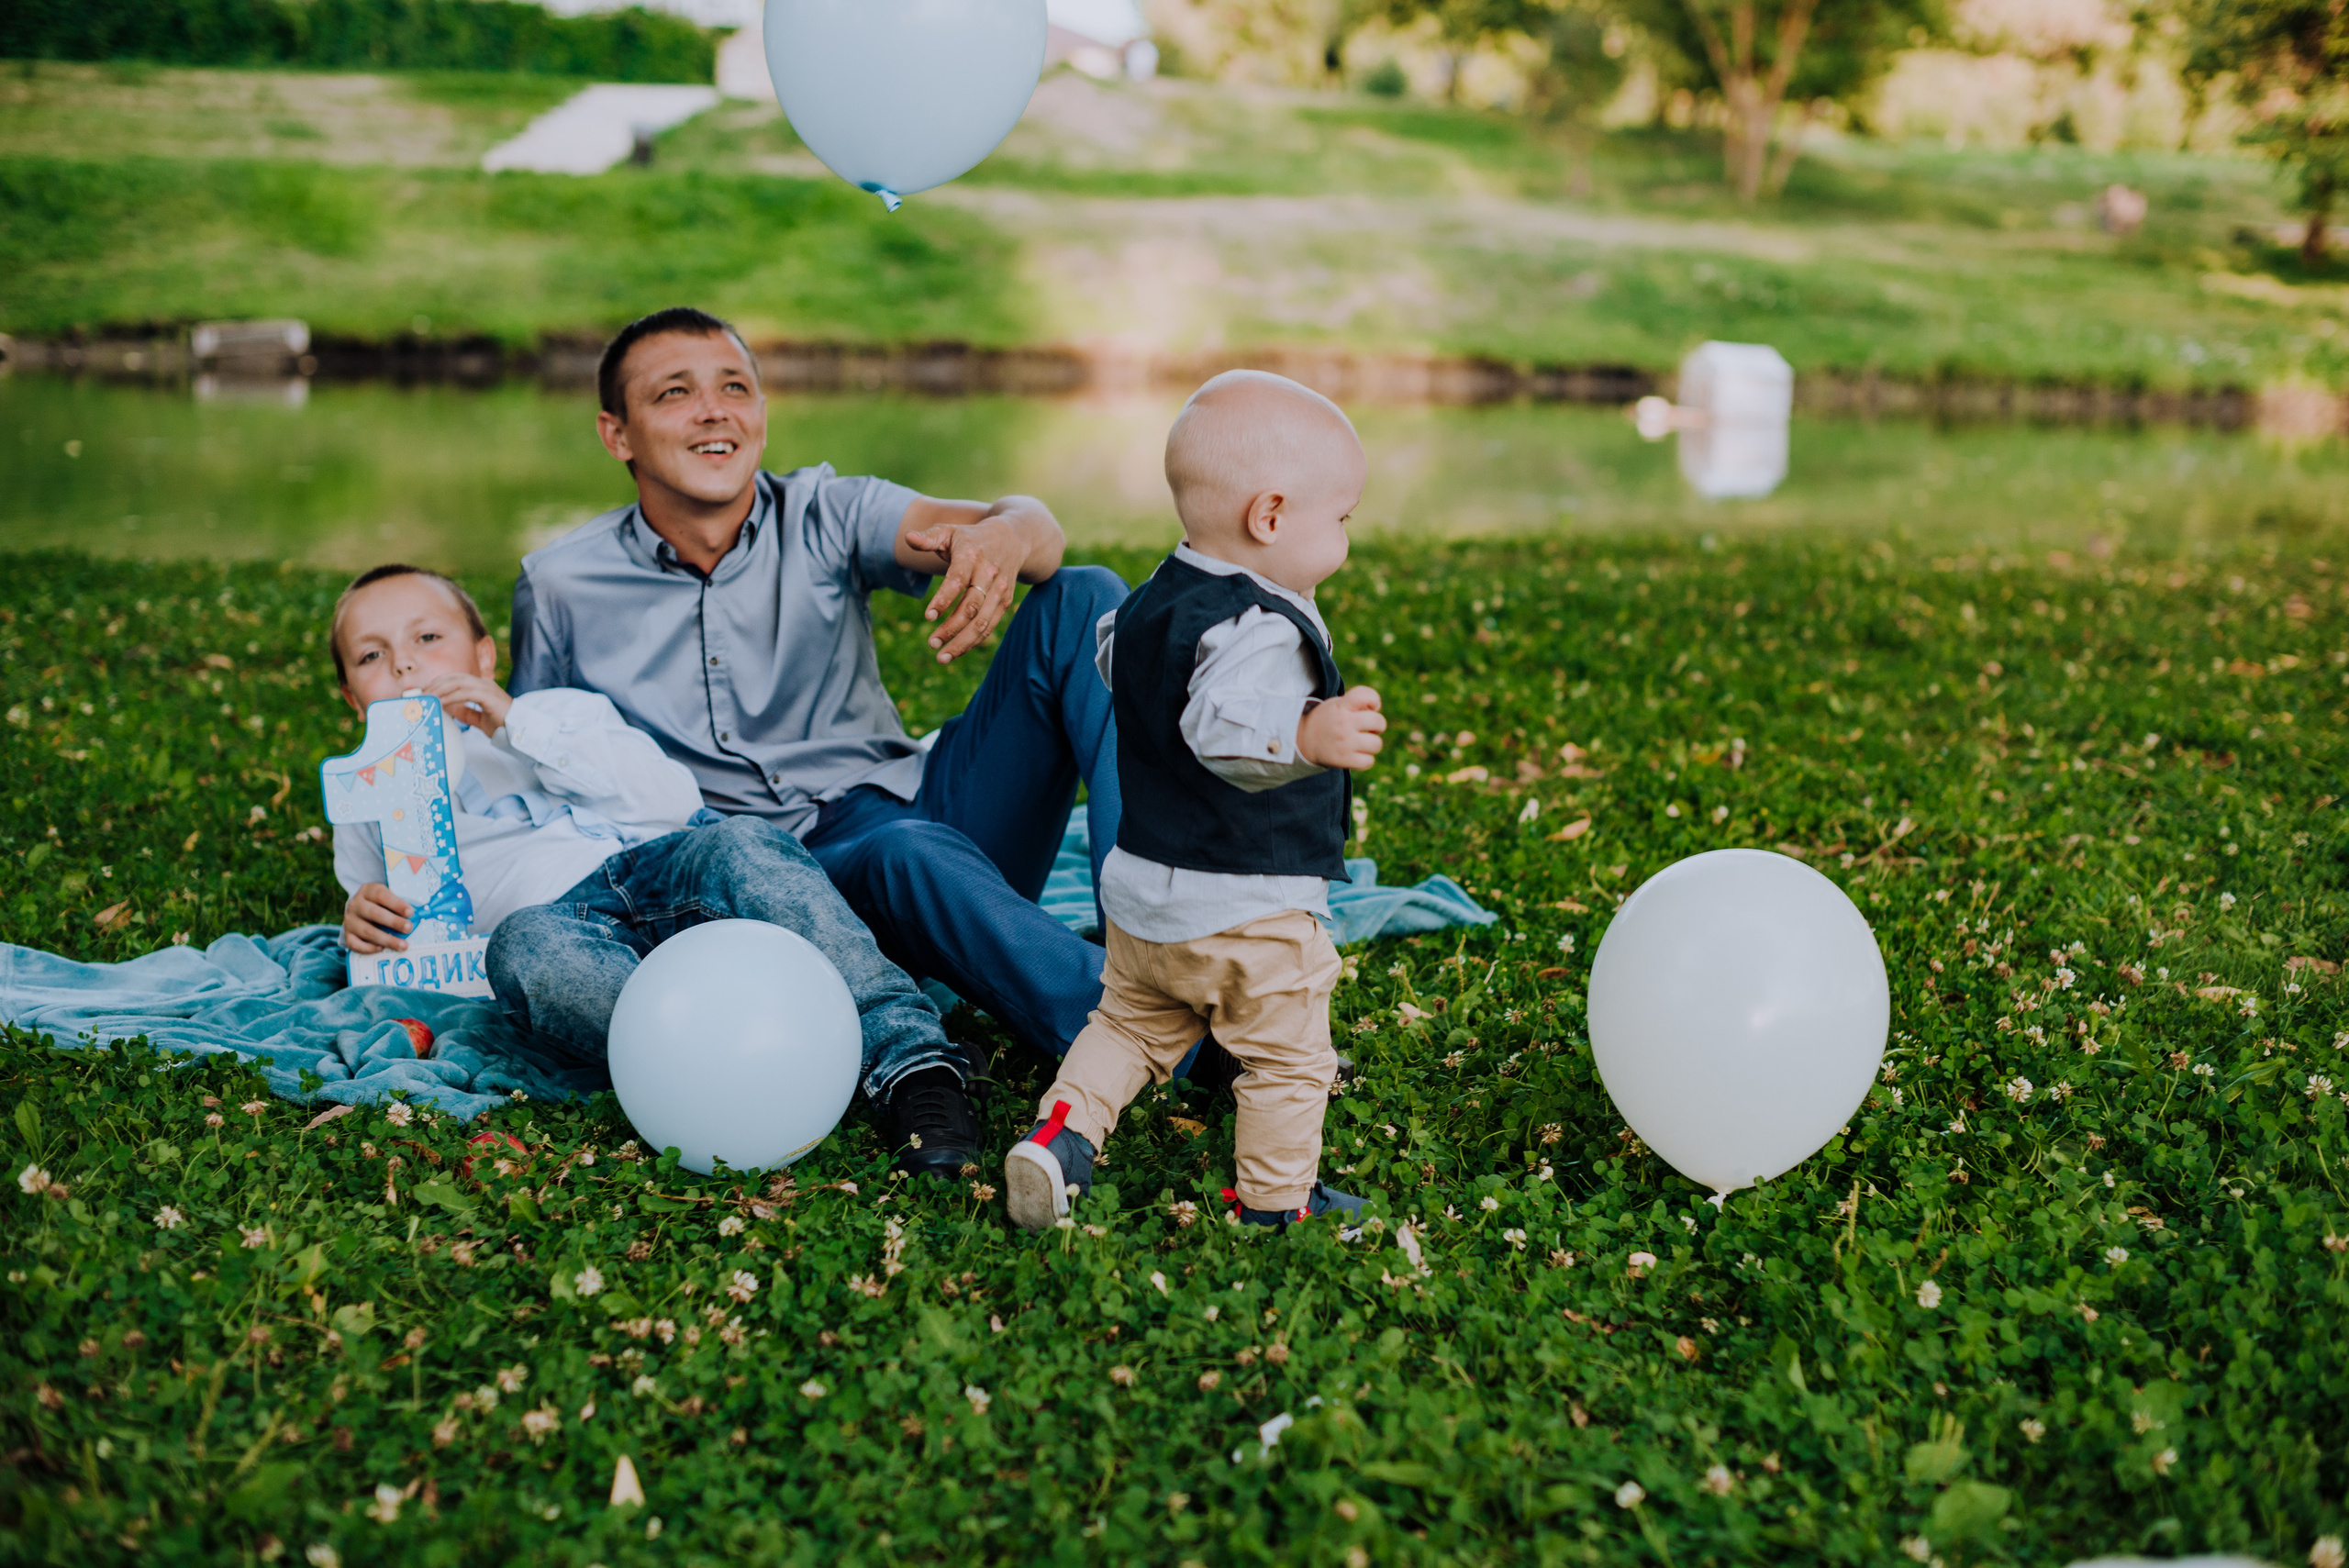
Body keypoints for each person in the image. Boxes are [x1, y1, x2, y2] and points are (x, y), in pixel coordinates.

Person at [505, 306, 1164, 1180]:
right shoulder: (558, 584)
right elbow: (535, 771)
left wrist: (1004, 535)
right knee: (905, 852)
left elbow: (1033, 525)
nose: (715, 411)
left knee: (1083, 597)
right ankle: (1168, 1040)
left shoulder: (822, 511)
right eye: (675, 394)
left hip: (915, 813)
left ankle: (1160, 943)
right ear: (616, 434)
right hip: (760, 887)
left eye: (735, 388)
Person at [328, 563, 960, 1118]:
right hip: (563, 925)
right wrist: (360, 919)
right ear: (354, 699)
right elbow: (381, 916)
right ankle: (744, 1065)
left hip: (668, 870)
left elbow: (670, 802)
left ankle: (910, 1061)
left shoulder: (562, 712)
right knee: (528, 951)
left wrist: (513, 722)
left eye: (429, 638)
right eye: (371, 656)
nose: (405, 663)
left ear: (485, 657)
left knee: (745, 845)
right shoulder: (370, 804)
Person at [1004, 372, 1385, 1231]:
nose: (1345, 538)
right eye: (1342, 519)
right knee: (1289, 1059)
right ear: (1272, 517)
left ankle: (1060, 1138)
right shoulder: (1262, 627)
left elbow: (1119, 664)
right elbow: (1221, 723)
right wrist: (1307, 730)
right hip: (1247, 903)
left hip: (1143, 894)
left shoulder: (1148, 603)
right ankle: (1276, 1203)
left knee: (1132, 1026)